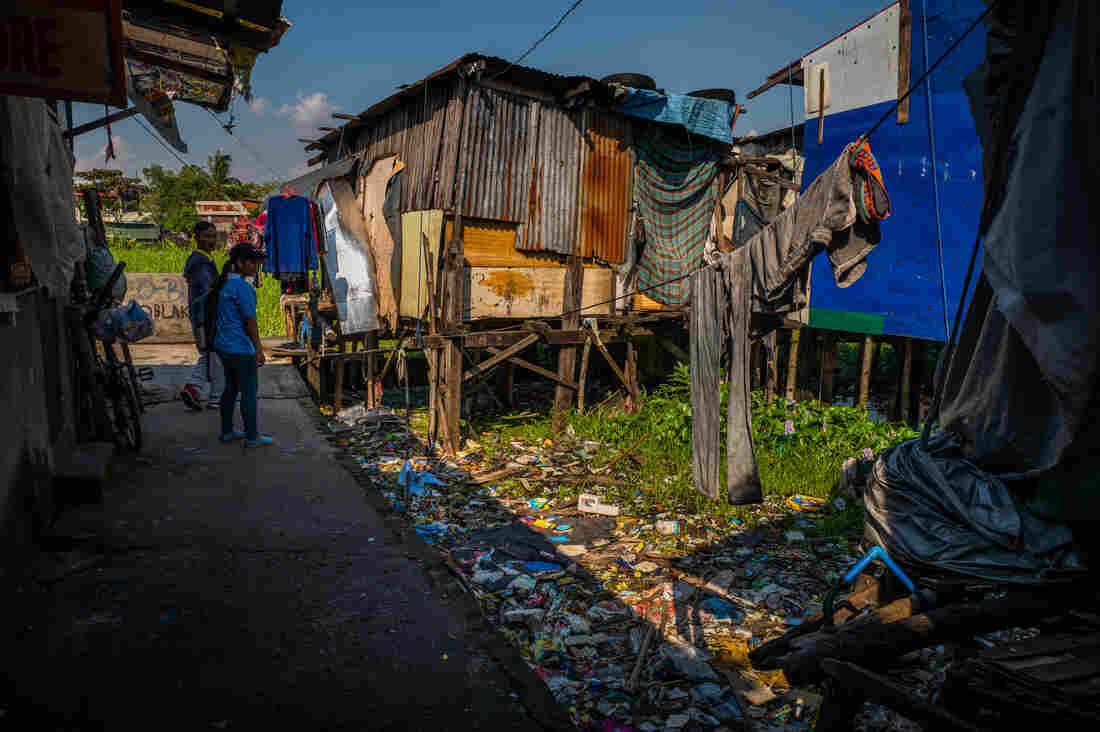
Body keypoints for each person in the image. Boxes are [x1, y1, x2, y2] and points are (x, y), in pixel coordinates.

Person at [210, 242, 273, 447]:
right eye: (252, 262)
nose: (256, 266)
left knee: (230, 388)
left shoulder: (224, 285)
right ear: (241, 263)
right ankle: (252, 436)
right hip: (240, 348)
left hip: (223, 345)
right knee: (248, 391)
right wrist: (258, 349)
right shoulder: (242, 287)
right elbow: (250, 321)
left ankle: (227, 431)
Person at [180, 221, 222, 411]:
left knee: (211, 354)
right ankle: (207, 393)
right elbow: (209, 291)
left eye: (213, 236)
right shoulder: (201, 264)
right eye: (206, 236)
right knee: (214, 355)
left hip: (204, 315)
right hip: (206, 316)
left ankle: (198, 389)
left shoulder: (202, 260)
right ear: (196, 238)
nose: (211, 240)